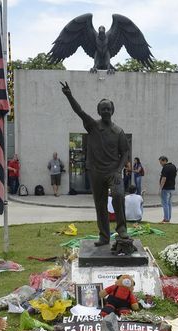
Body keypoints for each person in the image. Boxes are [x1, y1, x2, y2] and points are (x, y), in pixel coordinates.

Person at [61, 81, 131, 250]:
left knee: (118, 195)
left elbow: (125, 153)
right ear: (99, 111)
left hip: (113, 172)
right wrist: (69, 95)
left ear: (112, 111)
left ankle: (121, 230)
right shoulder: (92, 126)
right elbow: (79, 111)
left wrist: (118, 170)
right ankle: (104, 236)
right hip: (96, 172)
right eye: (103, 108)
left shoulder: (119, 132)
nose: (106, 111)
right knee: (100, 205)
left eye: (108, 108)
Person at [159, 155, 177, 223]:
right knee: (169, 203)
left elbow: (164, 178)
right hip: (172, 187)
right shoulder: (173, 166)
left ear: (164, 161)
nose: (160, 164)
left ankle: (166, 219)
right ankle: (168, 218)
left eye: (161, 162)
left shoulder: (165, 167)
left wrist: (160, 188)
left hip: (165, 188)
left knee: (165, 203)